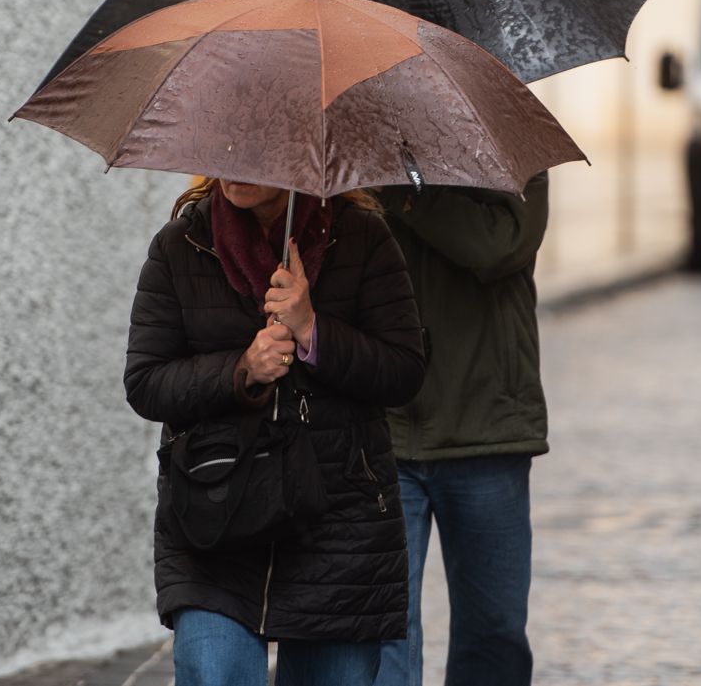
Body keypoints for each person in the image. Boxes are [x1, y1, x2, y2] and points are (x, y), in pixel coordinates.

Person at [125, 178, 427, 686]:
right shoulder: (181, 244)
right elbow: (146, 383)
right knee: (215, 673)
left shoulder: (362, 237)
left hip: (339, 525)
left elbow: (403, 372)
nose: (234, 164)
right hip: (215, 517)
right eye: (224, 146)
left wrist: (312, 330)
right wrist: (241, 368)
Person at [372, 173, 550, 686]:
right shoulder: (360, 152)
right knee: (382, 631)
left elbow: (499, 244)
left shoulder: (506, 144)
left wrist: (404, 195)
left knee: (492, 633)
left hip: (486, 423)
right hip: (384, 428)